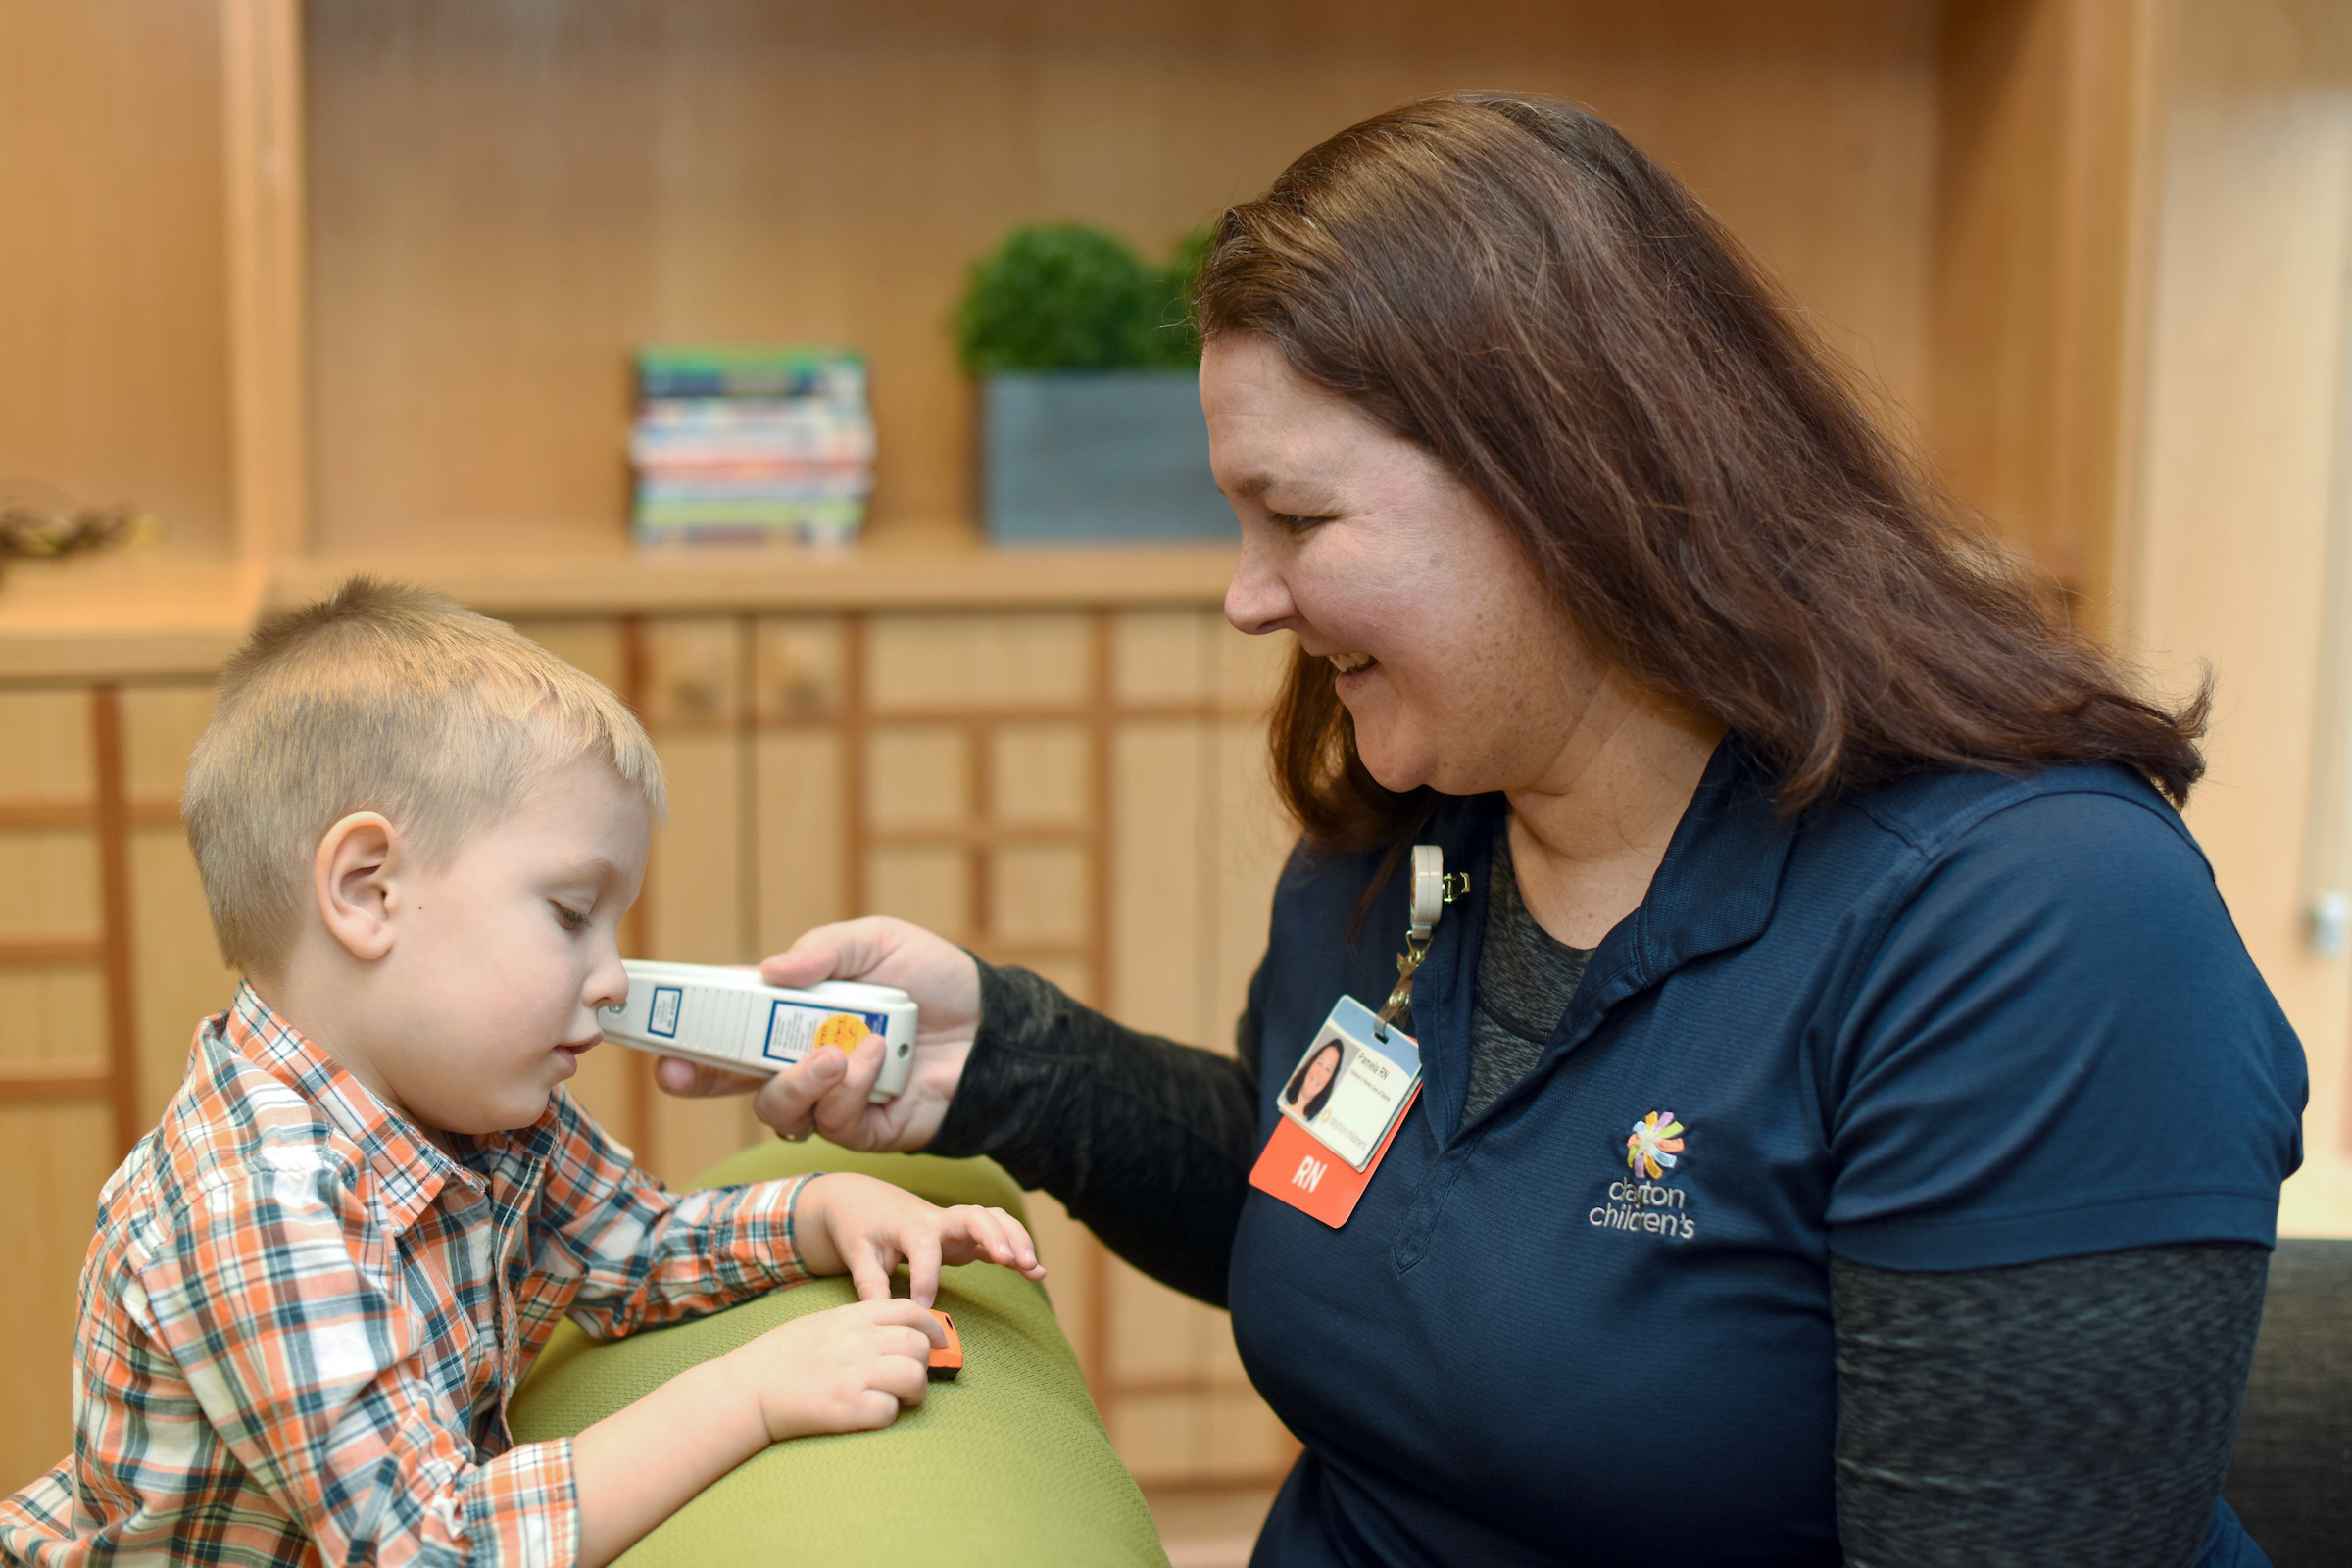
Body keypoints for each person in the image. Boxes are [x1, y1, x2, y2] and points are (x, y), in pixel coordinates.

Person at [662, 96, 2306, 1568]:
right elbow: (1332, 1208)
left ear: (1574, 479)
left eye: (1297, 519)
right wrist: (996, 1055)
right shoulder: (1423, 832)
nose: (1245, 601)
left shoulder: (2037, 926)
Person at [0, 578, 1046, 1568]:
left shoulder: (483, 1108)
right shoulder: (253, 1204)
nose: (613, 977)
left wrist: (825, 1207)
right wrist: (753, 1395)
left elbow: (633, 1246)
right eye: (569, 914)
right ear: (366, 891)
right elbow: (430, 1546)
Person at [1283, 1039, 1346, 1122]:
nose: (1319, 1073)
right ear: (1311, 1063)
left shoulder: (1316, 1125)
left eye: (1328, 1069)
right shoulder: (1281, 1094)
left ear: (1330, 1081)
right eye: (1320, 1063)